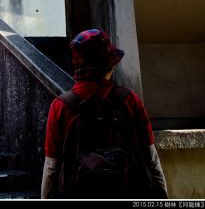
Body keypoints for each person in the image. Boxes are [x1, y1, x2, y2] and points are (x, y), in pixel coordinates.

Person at [40, 29, 168, 199]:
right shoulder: (130, 100)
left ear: (77, 65)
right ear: (108, 65)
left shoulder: (61, 106)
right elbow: (151, 160)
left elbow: (51, 167)